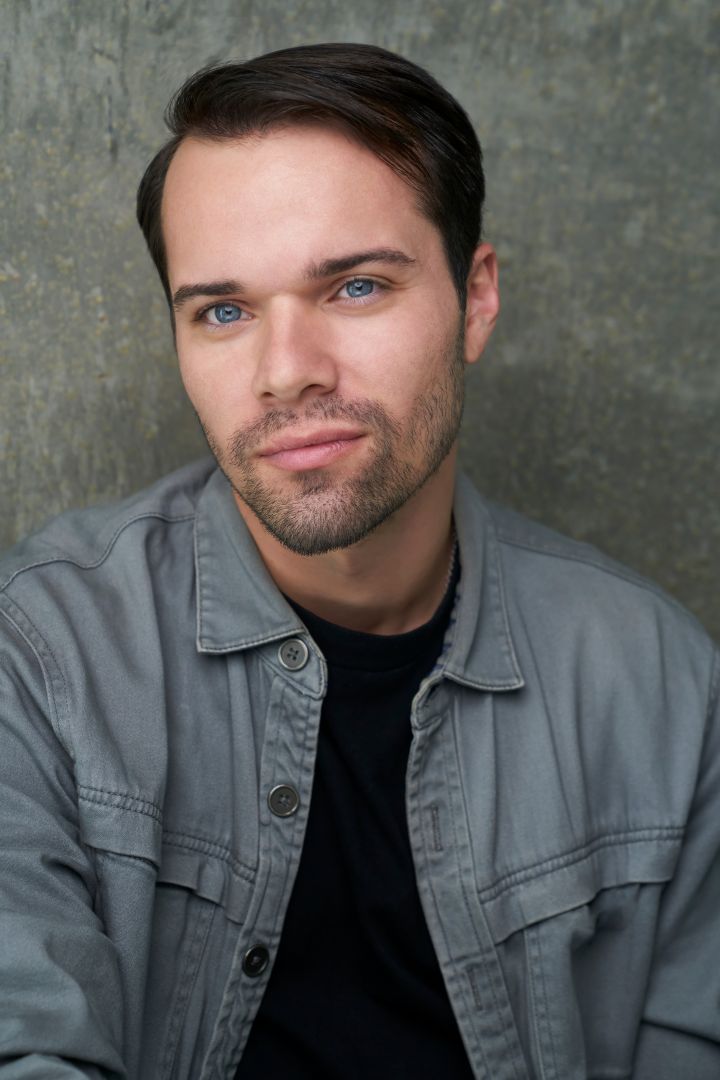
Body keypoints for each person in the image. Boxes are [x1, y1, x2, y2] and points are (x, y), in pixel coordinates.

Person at [0, 41, 718, 1080]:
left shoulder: (662, 685)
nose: (286, 373)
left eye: (355, 287)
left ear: (475, 299)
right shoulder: (39, 657)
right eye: (224, 312)